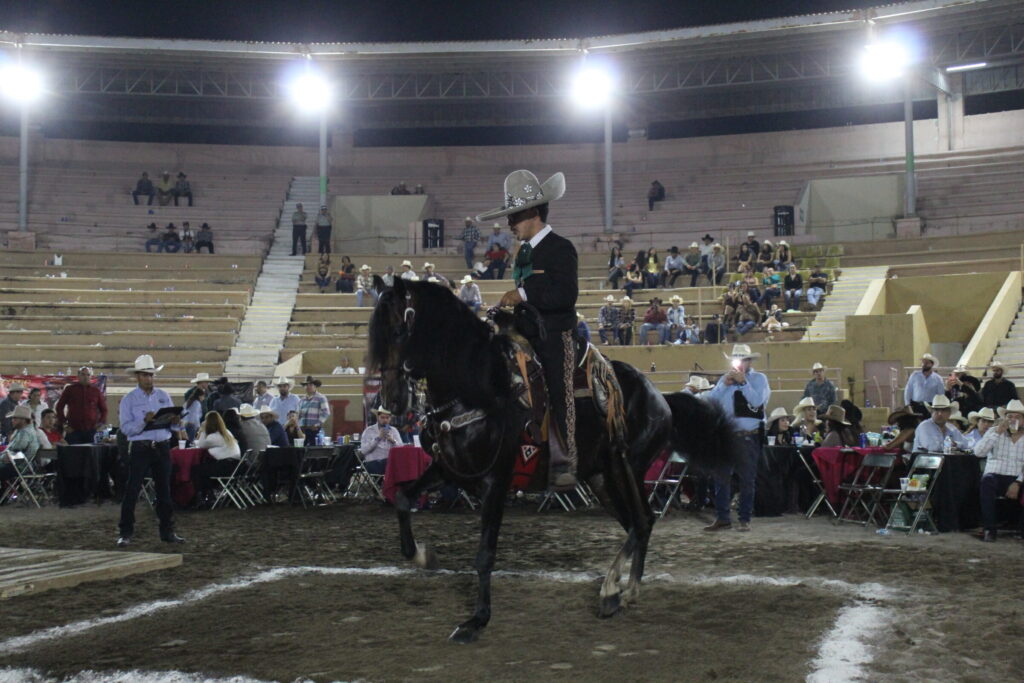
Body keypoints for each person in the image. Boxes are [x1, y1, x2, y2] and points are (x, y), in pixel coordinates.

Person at [491, 169, 578, 488]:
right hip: (526, 333)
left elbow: (566, 295)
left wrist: (523, 294)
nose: (509, 224)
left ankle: (566, 460)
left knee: (559, 388)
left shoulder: (560, 248)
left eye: (514, 216)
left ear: (533, 214)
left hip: (555, 334)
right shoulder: (525, 252)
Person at [117, 355, 184, 547]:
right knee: (132, 490)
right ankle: (126, 532)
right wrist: (143, 421)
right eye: (145, 375)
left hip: (161, 446)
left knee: (164, 490)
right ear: (137, 376)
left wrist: (175, 422)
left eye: (150, 375)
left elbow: (171, 425)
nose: (149, 378)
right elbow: (126, 428)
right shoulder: (128, 399)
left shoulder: (163, 395)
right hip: (141, 447)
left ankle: (167, 531)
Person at [704, 344, 771, 532]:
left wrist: (743, 383)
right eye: (738, 360)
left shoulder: (759, 379)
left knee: (747, 479)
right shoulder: (725, 380)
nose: (740, 363)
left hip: (748, 436)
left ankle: (744, 518)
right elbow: (711, 401)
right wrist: (723, 385)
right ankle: (723, 517)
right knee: (721, 477)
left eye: (743, 360)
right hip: (727, 435)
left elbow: (758, 402)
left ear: (749, 362)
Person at [973, 399, 1024, 542]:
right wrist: (997, 432)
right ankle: (989, 529)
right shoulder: (993, 431)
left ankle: (1021, 529)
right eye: (1010, 416)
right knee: (987, 481)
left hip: (1018, 477)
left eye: (1017, 417)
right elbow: (978, 453)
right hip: (995, 475)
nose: (1013, 420)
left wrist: (1018, 482)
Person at [192, 410, 242, 505]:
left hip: (226, 467)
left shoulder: (214, 436)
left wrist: (203, 429)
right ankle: (210, 493)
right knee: (205, 468)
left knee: (196, 470)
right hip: (235, 466)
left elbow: (201, 444)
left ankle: (203, 496)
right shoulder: (227, 432)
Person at [53, 367, 107, 444]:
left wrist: (100, 423)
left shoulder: (96, 391)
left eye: (88, 375)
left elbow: (104, 410)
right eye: (83, 374)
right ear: (78, 376)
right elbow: (59, 407)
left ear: (90, 377)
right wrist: (64, 424)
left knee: (91, 451)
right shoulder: (70, 390)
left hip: (91, 431)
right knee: (73, 451)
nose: (86, 377)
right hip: (73, 431)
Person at [359, 407, 402, 475]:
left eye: (387, 418)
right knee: (391, 466)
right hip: (373, 462)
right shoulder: (369, 430)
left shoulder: (394, 430)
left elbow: (401, 448)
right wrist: (378, 438)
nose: (385, 420)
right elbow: (364, 451)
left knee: (402, 464)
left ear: (390, 418)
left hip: (390, 462)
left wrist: (393, 441)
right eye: (382, 417)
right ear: (377, 417)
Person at [297, 376, 330, 444]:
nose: (308, 386)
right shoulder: (302, 400)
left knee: (314, 448)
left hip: (315, 430)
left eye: (310, 384)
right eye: (306, 385)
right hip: (303, 430)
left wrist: (317, 424)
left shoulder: (321, 398)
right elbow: (298, 415)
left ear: (315, 386)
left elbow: (326, 412)